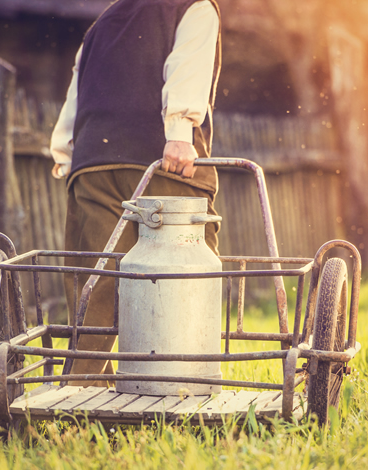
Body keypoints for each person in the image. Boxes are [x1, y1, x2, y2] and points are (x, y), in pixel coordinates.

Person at [49, 0, 222, 386]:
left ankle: (82, 389)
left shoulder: (100, 26)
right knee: (182, 272)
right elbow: (186, 66)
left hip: (93, 165)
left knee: (96, 280)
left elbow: (76, 95)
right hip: (157, 163)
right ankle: (182, 381)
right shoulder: (193, 8)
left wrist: (64, 150)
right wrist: (179, 134)